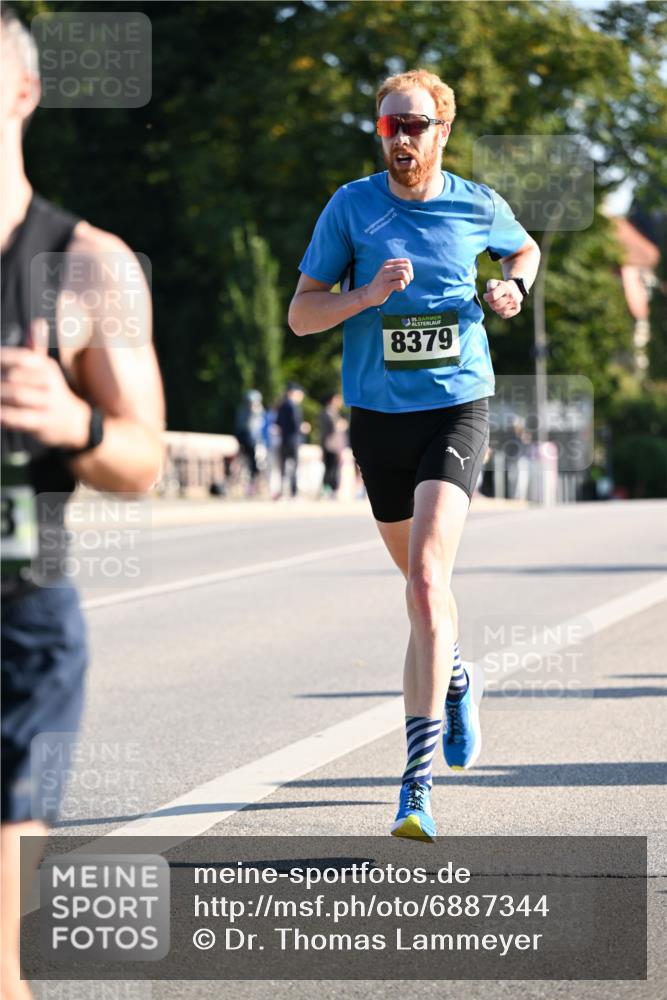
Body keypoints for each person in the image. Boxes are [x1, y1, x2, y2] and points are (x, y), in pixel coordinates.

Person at [289, 68, 540, 841]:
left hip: (457, 405)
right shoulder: (351, 206)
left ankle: (414, 787)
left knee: (429, 581)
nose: (402, 137)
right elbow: (301, 316)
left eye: (416, 124)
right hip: (377, 417)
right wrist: (363, 297)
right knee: (417, 586)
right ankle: (456, 675)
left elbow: (522, 250)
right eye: (389, 125)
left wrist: (512, 291)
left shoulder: (475, 204)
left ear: (442, 130)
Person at [0, 9, 165, 996]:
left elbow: (143, 459)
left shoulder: (89, 262)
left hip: (17, 623)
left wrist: (75, 424)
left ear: (21, 95)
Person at [274, 381, 306, 499]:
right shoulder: (293, 406)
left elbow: (277, 423)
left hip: (284, 440)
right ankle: (293, 492)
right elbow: (296, 424)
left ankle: (282, 491)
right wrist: (303, 428)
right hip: (294, 440)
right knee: (294, 466)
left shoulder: (281, 405)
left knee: (283, 467)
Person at [234, 388, 265, 495]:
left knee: (256, 466)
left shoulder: (260, 413)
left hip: (256, 444)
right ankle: (245, 488)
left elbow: (261, 430)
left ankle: (255, 487)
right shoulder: (243, 413)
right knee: (244, 466)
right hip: (246, 443)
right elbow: (240, 429)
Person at [318, 391, 346, 498]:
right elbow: (325, 432)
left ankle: (333, 489)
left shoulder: (336, 413)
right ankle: (327, 489)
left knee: (335, 468)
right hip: (330, 445)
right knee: (329, 468)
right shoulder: (326, 413)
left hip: (337, 445)